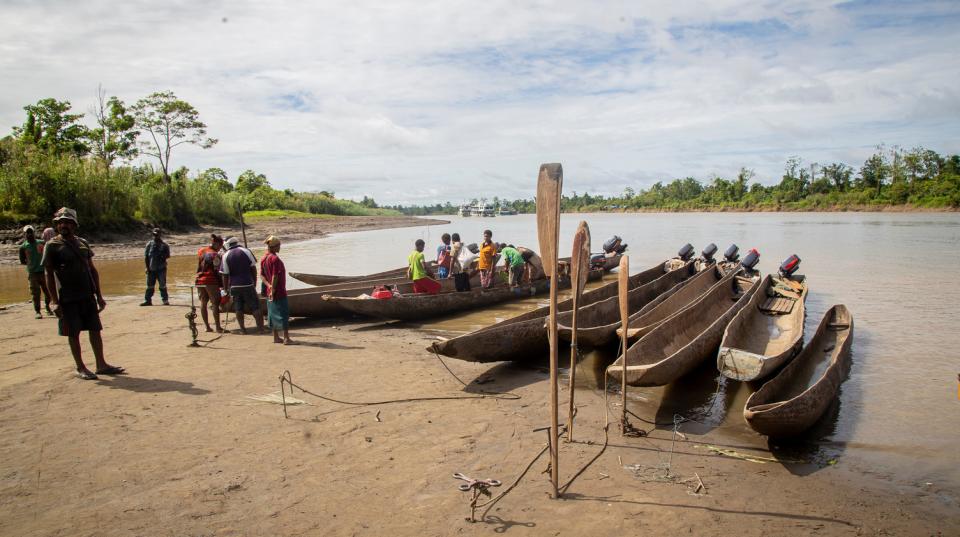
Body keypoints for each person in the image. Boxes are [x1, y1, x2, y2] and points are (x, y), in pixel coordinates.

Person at [42, 207, 124, 380]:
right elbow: (48, 274)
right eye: (61, 222)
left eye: (68, 222)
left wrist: (99, 295)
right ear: (57, 226)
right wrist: (53, 301)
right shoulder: (52, 246)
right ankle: (80, 367)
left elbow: (92, 270)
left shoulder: (82, 243)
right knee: (73, 333)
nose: (64, 225)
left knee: (95, 330)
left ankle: (101, 364)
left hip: (87, 296)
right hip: (67, 298)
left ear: (74, 225)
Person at [221, 237, 264, 334]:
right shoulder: (246, 251)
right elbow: (253, 268)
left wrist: (225, 289)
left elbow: (225, 275)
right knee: (255, 307)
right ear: (236, 242)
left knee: (238, 308)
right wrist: (254, 282)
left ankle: (243, 330)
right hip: (248, 284)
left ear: (227, 245)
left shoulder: (225, 255)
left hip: (234, 286)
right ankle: (261, 329)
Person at [260, 236, 295, 345]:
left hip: (270, 291)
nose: (280, 247)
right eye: (278, 245)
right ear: (274, 246)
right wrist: (273, 288)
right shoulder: (275, 259)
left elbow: (261, 275)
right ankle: (286, 338)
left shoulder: (264, 258)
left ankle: (276, 337)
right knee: (283, 314)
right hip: (278, 291)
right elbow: (275, 275)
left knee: (272, 314)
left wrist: (268, 286)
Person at [19, 225, 53, 319]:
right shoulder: (23, 247)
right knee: (35, 293)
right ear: (24, 234)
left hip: (43, 271)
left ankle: (47, 307)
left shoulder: (41, 243)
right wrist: (31, 265)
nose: (29, 234)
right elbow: (22, 261)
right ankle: (37, 311)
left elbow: (48, 254)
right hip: (32, 273)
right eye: (27, 232)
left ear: (34, 233)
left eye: (31, 232)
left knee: (48, 291)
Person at [195, 234, 225, 333]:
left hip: (199, 279)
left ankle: (207, 327)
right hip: (210, 280)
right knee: (215, 303)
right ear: (217, 244)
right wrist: (222, 285)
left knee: (203, 302)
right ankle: (218, 327)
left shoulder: (201, 251)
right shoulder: (215, 255)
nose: (220, 248)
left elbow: (200, 265)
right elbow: (217, 271)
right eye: (220, 246)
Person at [141, 228, 171, 306]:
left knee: (162, 285)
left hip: (161, 268)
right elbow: (146, 257)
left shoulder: (164, 245)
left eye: (157, 234)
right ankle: (148, 300)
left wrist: (162, 255)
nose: (155, 236)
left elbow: (168, 255)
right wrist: (147, 268)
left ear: (160, 235)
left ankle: (165, 300)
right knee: (149, 286)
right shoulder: (149, 244)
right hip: (151, 268)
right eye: (154, 234)